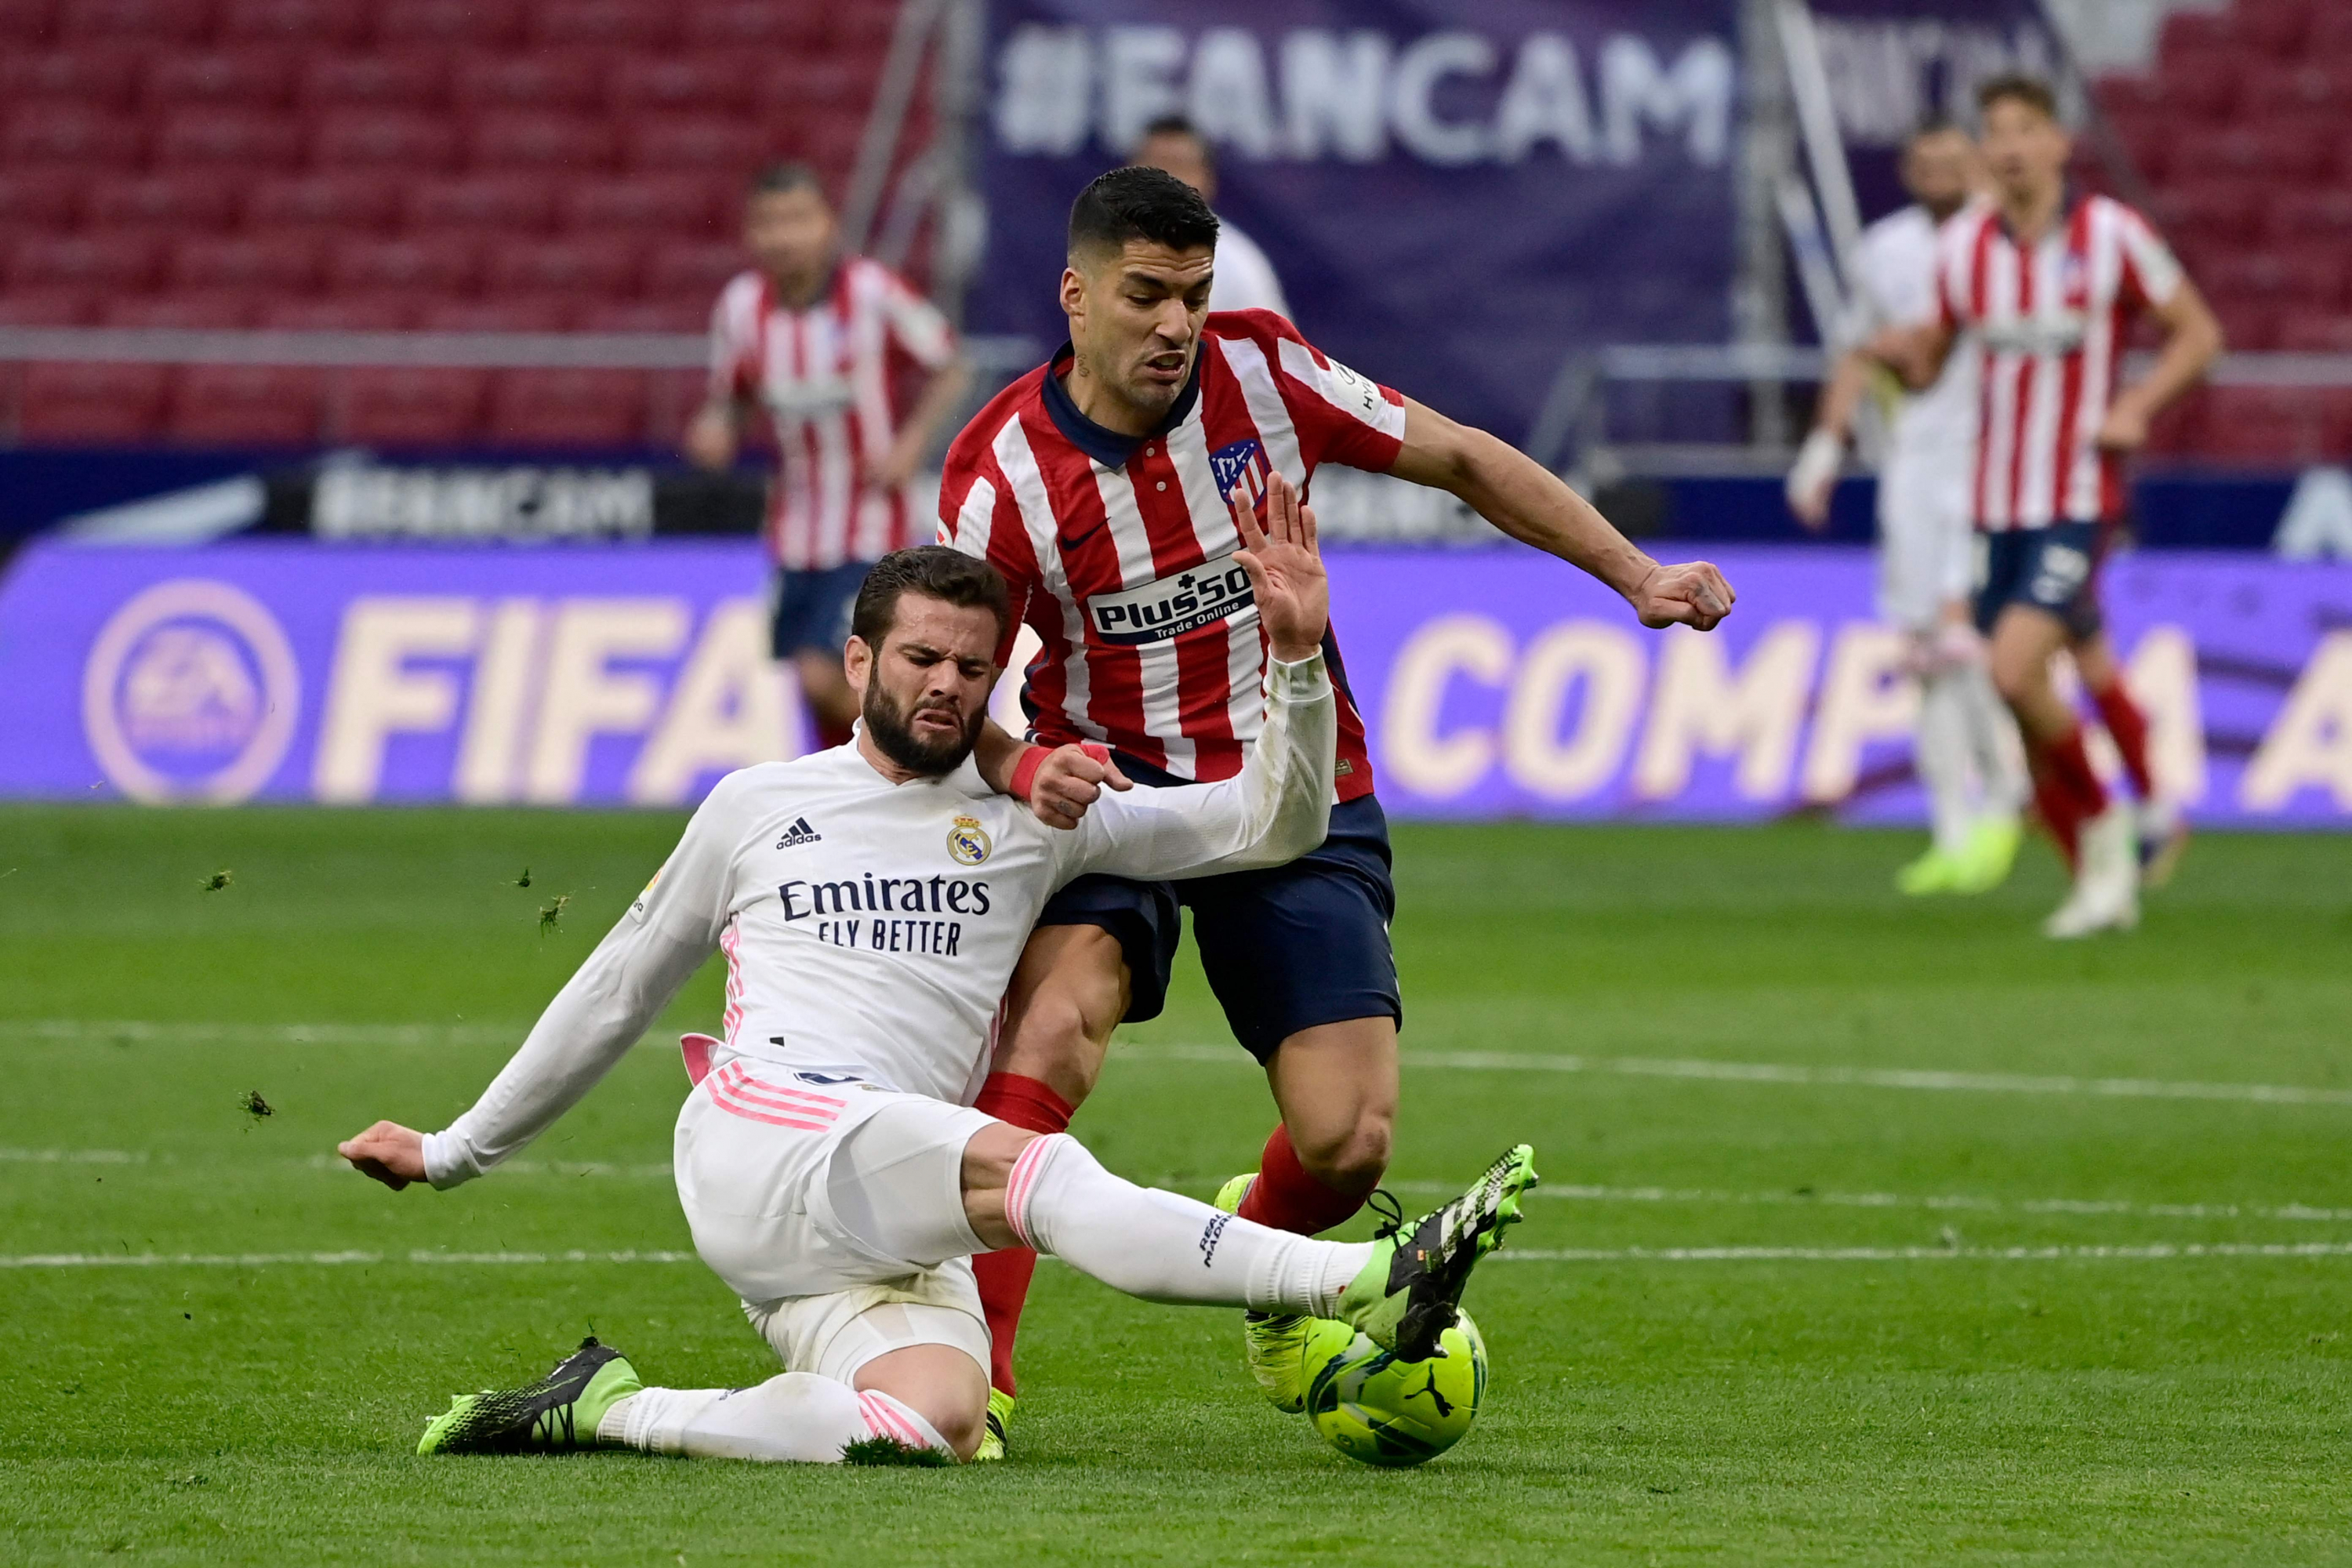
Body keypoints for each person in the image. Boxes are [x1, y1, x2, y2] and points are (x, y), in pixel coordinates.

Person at [336, 530, 1540, 1467]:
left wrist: (1291, 658)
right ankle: (1354, 1281)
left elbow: (1272, 824)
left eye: (972, 668)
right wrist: (454, 1151)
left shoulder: (1036, 820)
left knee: (929, 1427)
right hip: (769, 1133)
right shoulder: (757, 804)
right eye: (919, 659)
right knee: (1038, 1175)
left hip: (890, 1197)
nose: (945, 686)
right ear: (859, 660)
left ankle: (603, 1408)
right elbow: (614, 991)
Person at [937, 165, 1733, 1453]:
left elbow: (1466, 457)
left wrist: (1633, 576)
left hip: (1287, 788)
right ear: (1075, 295)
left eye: (1192, 297)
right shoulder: (1006, 477)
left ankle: (1268, 1248)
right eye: (1145, 296)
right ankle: (979, 1386)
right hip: (1109, 794)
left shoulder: (1268, 375)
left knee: (1350, 1139)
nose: (1174, 326)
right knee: (1058, 1031)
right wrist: (1025, 769)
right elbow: (954, 680)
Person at [1857, 74, 2220, 938]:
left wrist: (2136, 406)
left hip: (2075, 498)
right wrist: (1889, 356)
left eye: (2025, 128)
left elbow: (2199, 332)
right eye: (1997, 132)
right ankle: (2100, 877)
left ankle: (2111, 829)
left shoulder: (2112, 236)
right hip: (1994, 505)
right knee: (2037, 695)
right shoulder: (1964, 252)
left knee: (2012, 671)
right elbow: (1933, 360)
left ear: (2060, 143)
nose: (2010, 145)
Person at [1789, 119, 2027, 897]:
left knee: (1972, 640)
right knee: (1923, 646)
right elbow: (1858, 350)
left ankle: (2007, 799)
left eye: (1953, 162)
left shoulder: (2006, 237)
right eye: (1925, 164)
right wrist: (1825, 448)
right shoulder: (1884, 249)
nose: (1939, 175)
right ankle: (1953, 828)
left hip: (1994, 454)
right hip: (1913, 459)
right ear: (1908, 169)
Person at [684, 163, 973, 751]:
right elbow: (732, 400)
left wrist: (908, 449)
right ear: (751, 233)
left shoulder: (871, 292)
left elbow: (951, 365)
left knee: (832, 672)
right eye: (770, 223)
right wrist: (716, 428)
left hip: (871, 528)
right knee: (814, 680)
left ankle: (902, 773)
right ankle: (848, 793)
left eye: (798, 220)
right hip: (795, 532)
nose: (784, 236)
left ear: (827, 226)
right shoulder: (741, 308)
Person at [1133, 114, 1290, 318]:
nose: (1165, 179)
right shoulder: (1096, 251)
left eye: (1179, 166)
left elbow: (1270, 347)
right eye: (1153, 166)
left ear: (1206, 179)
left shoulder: (1238, 268)